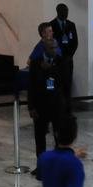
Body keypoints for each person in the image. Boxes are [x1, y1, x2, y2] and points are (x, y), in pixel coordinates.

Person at [28, 23, 68, 176]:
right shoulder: (36, 63)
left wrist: (50, 69)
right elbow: (31, 85)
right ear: (44, 48)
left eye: (55, 48)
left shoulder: (60, 62)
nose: (55, 51)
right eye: (51, 48)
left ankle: (59, 165)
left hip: (56, 105)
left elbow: (64, 81)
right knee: (40, 138)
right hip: (40, 106)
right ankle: (41, 166)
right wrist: (31, 107)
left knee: (59, 136)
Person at [50, 3, 79, 99]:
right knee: (57, 85)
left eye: (67, 11)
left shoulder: (71, 25)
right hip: (56, 61)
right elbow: (50, 42)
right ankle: (58, 111)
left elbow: (75, 42)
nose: (66, 14)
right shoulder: (51, 25)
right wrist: (57, 56)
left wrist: (69, 56)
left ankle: (68, 111)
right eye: (64, 11)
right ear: (58, 12)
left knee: (67, 85)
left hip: (68, 61)